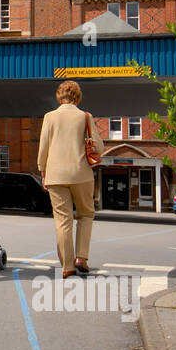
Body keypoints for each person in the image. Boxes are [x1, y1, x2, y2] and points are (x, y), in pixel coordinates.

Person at [37, 79, 105, 279]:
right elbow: (99, 147)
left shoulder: (49, 117)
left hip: (55, 175)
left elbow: (43, 147)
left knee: (63, 220)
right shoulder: (85, 117)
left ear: (59, 96)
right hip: (81, 173)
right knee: (86, 215)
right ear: (78, 96)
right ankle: (81, 257)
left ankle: (67, 266)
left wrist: (42, 170)